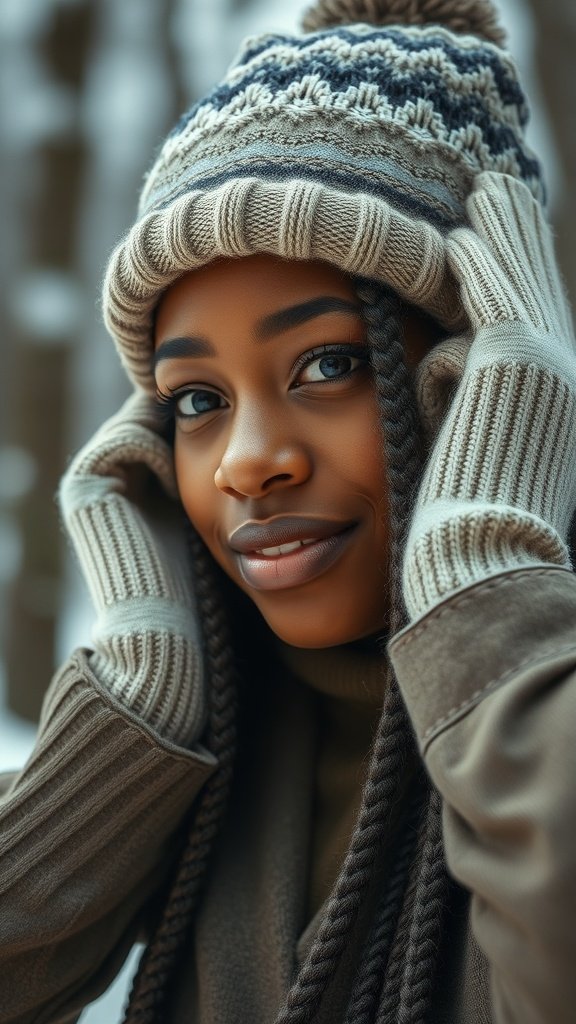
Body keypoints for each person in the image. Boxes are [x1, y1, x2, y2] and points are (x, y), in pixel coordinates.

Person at [2, 0, 576, 1021]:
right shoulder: (200, 760)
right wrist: (133, 710)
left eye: (328, 364)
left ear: (480, 381)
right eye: (197, 402)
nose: (245, 465)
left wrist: (484, 582)